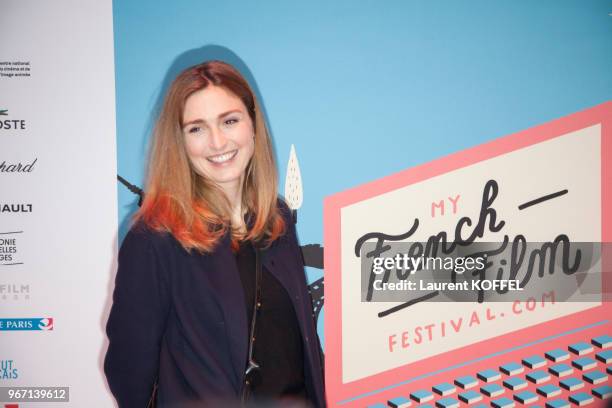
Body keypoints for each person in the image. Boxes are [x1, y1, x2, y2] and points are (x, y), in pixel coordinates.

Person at [104, 60, 325, 407]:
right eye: (197, 128)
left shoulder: (276, 219)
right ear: (179, 141)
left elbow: (303, 350)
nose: (218, 142)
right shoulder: (155, 239)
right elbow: (129, 375)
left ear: (253, 124)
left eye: (229, 120)